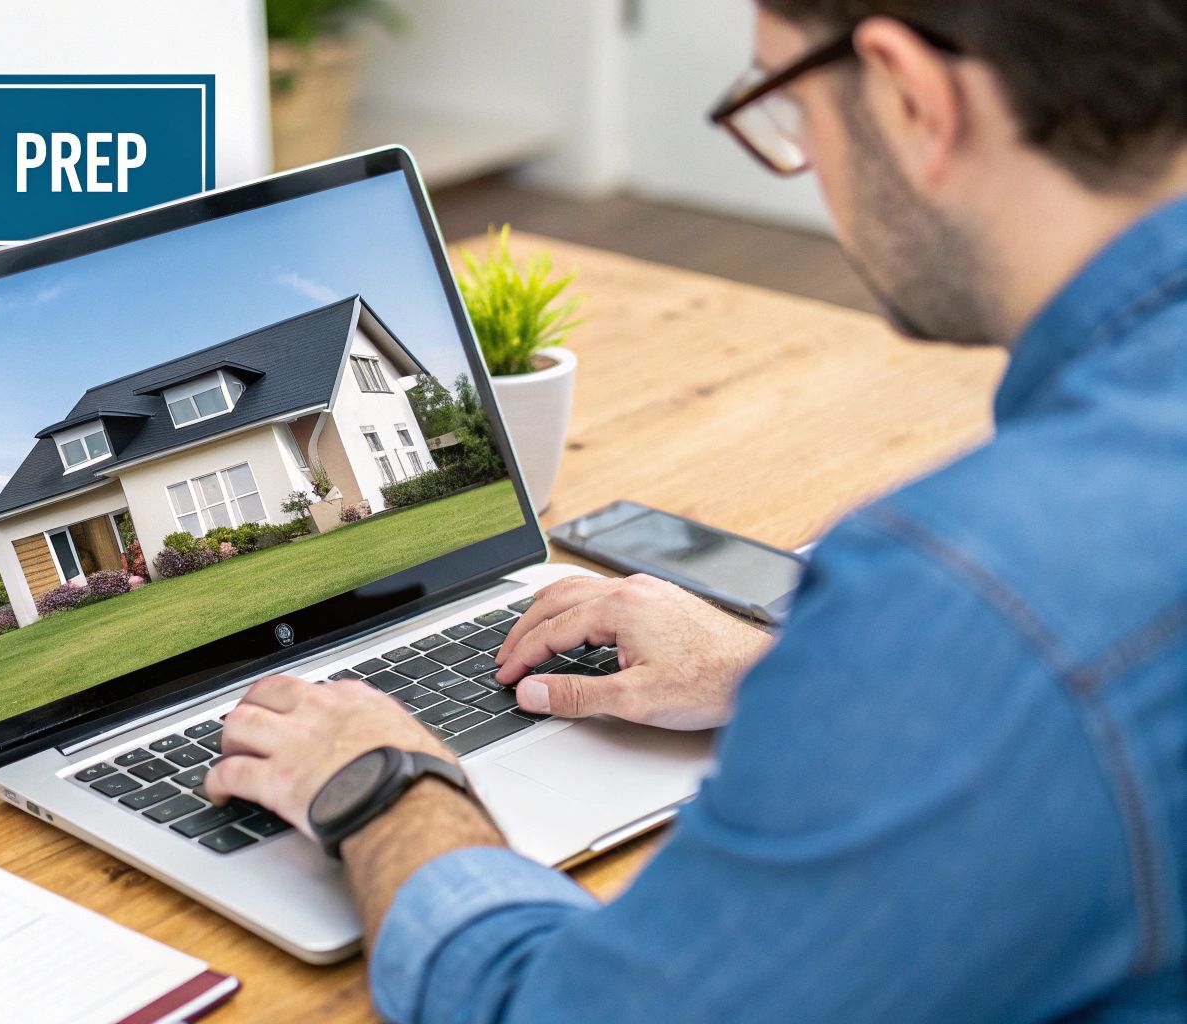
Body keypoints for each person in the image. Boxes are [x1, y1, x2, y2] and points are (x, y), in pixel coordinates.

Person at [203, 1, 1187, 1019]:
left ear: (907, 95)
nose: (801, 159)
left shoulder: (964, 595)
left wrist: (382, 783)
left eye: (785, 104)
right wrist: (783, 669)